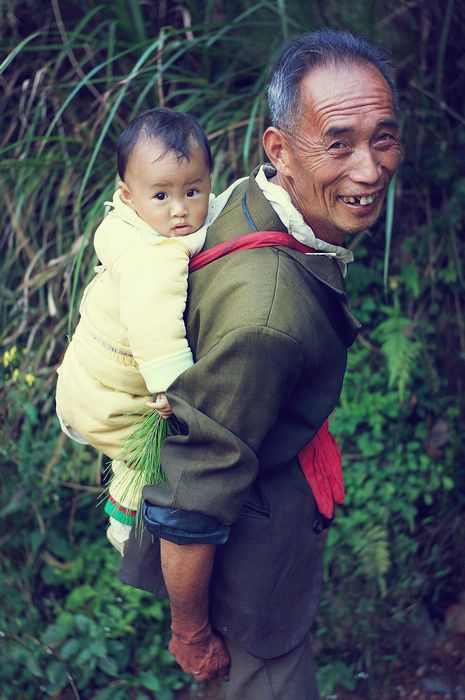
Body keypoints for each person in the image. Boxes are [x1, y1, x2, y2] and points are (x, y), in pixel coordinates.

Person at [118, 28, 402, 699]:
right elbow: (190, 500)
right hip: (245, 604)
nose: (368, 168)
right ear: (278, 147)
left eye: (382, 137)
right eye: (338, 142)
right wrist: (191, 633)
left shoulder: (252, 197)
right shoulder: (267, 317)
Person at [55, 107, 238, 554]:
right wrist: (177, 391)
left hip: (83, 376)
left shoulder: (128, 221)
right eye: (161, 196)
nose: (180, 211)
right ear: (129, 194)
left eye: (193, 191)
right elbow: (155, 331)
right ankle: (126, 533)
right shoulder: (153, 258)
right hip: (111, 399)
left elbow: (212, 210)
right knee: (145, 461)